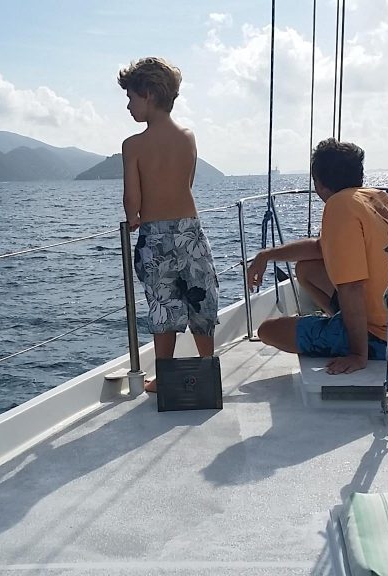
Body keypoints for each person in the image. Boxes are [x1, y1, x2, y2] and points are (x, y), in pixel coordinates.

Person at [247, 138, 388, 375]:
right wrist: (267, 255)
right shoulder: (374, 198)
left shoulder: (339, 206)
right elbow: (320, 247)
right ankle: (342, 325)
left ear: (318, 183)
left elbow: (351, 287)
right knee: (305, 270)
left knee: (269, 331)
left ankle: (351, 337)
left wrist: (357, 354)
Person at [118, 57, 219, 393]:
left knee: (162, 306)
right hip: (190, 230)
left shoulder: (133, 146)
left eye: (131, 97)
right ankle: (208, 369)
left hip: (155, 235)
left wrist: (134, 218)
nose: (128, 106)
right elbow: (186, 182)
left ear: (148, 94)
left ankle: (165, 377)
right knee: (200, 300)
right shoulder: (188, 137)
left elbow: (132, 200)